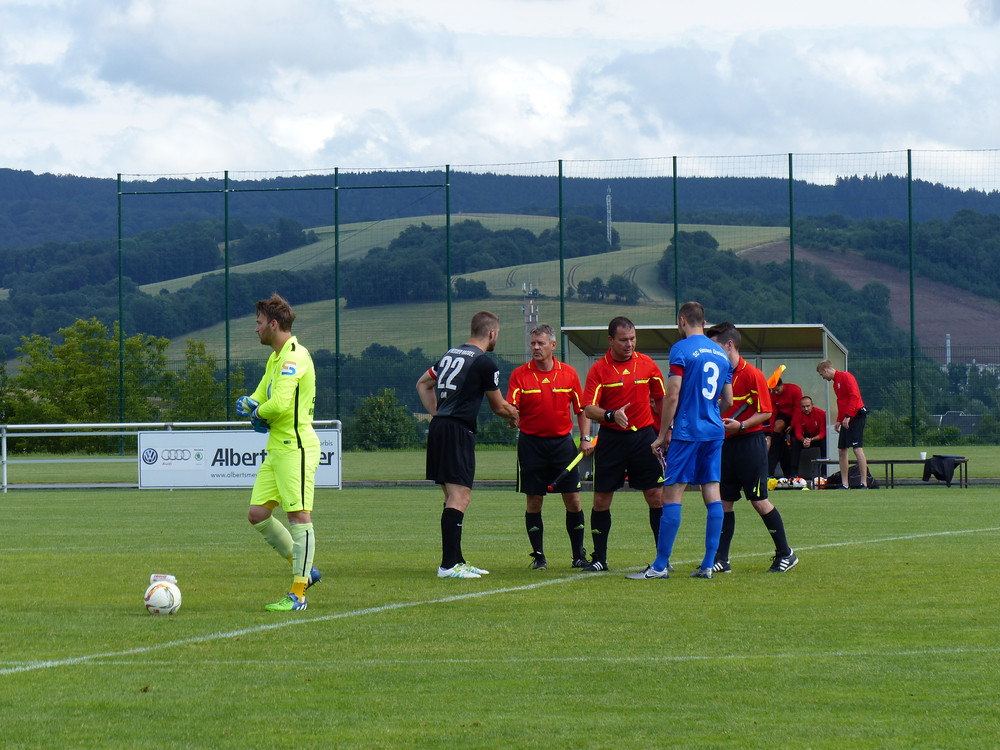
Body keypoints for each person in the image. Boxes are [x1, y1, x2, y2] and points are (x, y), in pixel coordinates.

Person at [628, 302, 732, 580]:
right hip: (713, 432)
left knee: (671, 494)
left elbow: (671, 395)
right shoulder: (722, 354)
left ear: (682, 320)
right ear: (705, 321)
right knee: (712, 493)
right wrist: (709, 414)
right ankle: (708, 564)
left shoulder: (681, 349)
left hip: (687, 432)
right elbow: (728, 400)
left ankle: (660, 566)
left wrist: (663, 434)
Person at [417, 311, 519, 579]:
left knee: (452, 496)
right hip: (457, 431)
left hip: (440, 428)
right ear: (492, 333)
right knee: (460, 497)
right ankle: (448, 566)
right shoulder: (485, 363)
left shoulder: (450, 355)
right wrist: (514, 415)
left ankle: (457, 560)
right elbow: (498, 407)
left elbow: (423, 383)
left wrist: (437, 413)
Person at [237, 293, 322, 612]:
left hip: (296, 448)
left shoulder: (293, 358)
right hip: (277, 449)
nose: (255, 329)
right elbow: (262, 395)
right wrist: (249, 402)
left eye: (258, 323)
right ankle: (306, 569)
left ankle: (298, 593)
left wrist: (258, 414)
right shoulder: (276, 357)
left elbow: (280, 404)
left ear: (274, 324)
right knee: (257, 514)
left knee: (299, 516)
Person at [706, 322, 798, 574]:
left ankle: (786, 553)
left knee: (759, 501)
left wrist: (742, 426)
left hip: (750, 444)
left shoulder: (752, 374)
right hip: (725, 445)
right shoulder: (716, 374)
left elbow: (766, 412)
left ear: (730, 345)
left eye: (714, 347)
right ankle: (721, 560)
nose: (710, 352)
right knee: (724, 502)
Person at [580, 316, 666, 572]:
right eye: (623, 340)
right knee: (601, 499)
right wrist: (611, 415)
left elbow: (661, 398)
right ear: (611, 340)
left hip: (644, 439)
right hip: (611, 440)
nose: (629, 344)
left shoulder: (647, 364)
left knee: (656, 497)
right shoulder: (599, 369)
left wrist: (665, 431)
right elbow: (588, 409)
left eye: (632, 339)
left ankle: (663, 559)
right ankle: (600, 559)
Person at [507, 324, 594, 570]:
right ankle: (538, 557)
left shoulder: (568, 374)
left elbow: (581, 410)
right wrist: (511, 417)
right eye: (533, 343)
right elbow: (511, 407)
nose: (535, 347)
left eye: (540, 343)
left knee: (574, 501)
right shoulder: (519, 375)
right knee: (534, 501)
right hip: (530, 445)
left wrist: (585, 438)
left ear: (553, 346)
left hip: (562, 446)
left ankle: (578, 555)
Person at [817, 359, 868, 489]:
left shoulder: (845, 376)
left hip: (856, 416)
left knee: (857, 449)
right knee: (842, 450)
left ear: (825, 370)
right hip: (847, 418)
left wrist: (848, 416)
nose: (823, 377)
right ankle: (845, 484)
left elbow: (854, 396)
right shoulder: (835, 383)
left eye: (822, 374)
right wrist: (839, 419)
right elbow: (841, 402)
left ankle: (864, 482)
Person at [767, 378, 803, 478]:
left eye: (777, 390)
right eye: (774, 390)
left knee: (795, 442)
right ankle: (769, 473)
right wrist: (773, 431)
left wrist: (793, 425)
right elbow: (773, 413)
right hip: (782, 417)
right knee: (776, 442)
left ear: (782, 385)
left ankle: (794, 474)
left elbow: (798, 409)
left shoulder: (795, 390)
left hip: (796, 417)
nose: (776, 392)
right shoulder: (773, 396)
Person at [789, 395, 827, 478]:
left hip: (817, 437)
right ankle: (793, 474)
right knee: (794, 442)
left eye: (808, 406)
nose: (806, 409)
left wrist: (811, 440)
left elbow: (823, 433)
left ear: (812, 405)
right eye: (803, 407)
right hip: (806, 438)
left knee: (825, 443)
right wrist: (804, 440)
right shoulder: (798, 414)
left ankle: (824, 473)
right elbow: (798, 433)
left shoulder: (821, 414)